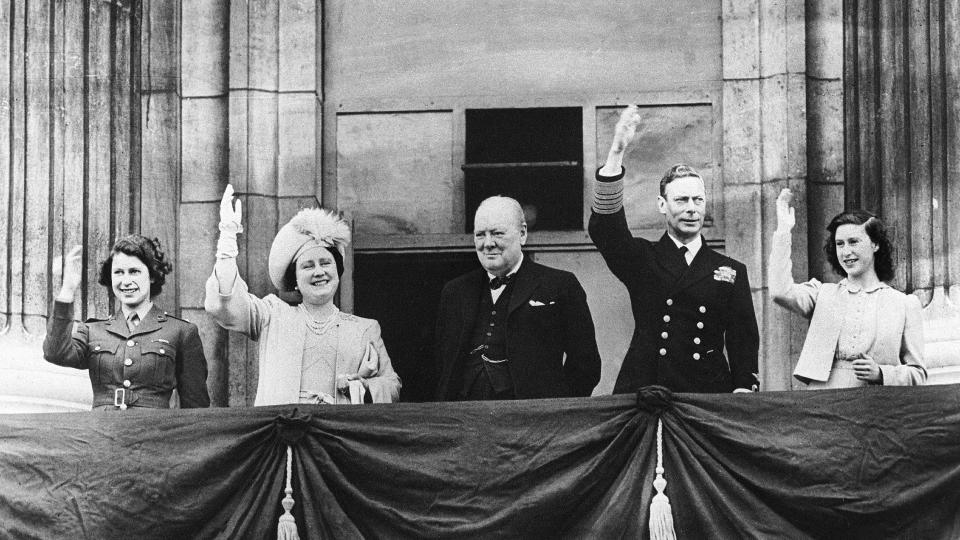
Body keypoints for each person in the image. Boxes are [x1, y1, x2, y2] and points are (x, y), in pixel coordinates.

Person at [589, 105, 760, 394]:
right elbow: (605, 230)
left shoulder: (731, 271)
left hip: (706, 393)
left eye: (698, 200)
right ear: (662, 205)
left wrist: (743, 389)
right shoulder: (643, 259)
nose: (692, 209)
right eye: (681, 200)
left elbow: (743, 340)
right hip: (647, 389)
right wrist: (616, 153)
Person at [204, 185, 400, 405]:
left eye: (325, 263)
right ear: (295, 280)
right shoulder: (272, 316)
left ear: (337, 271)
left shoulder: (365, 329)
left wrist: (363, 387)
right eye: (308, 266)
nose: (319, 272)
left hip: (338, 436)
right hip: (283, 434)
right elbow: (226, 303)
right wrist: (227, 242)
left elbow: (392, 386)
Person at [434, 196, 601, 401]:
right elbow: (442, 364)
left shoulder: (560, 285)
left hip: (531, 422)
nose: (488, 244)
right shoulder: (454, 291)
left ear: (522, 234)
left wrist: (555, 413)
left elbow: (586, 365)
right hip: (465, 419)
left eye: (497, 233)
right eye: (480, 235)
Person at [769, 188, 926, 388]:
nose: (846, 252)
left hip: (875, 406)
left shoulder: (904, 304)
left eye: (854, 242)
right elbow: (779, 292)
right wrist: (783, 231)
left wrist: (881, 373)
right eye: (839, 244)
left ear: (875, 244)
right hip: (824, 400)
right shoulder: (822, 294)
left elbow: (918, 374)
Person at [43, 236, 210, 410]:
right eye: (118, 272)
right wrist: (68, 289)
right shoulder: (93, 329)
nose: (126, 281)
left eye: (134, 271)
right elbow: (55, 353)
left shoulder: (181, 331)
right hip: (103, 434)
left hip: (154, 435)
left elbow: (195, 409)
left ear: (152, 275)